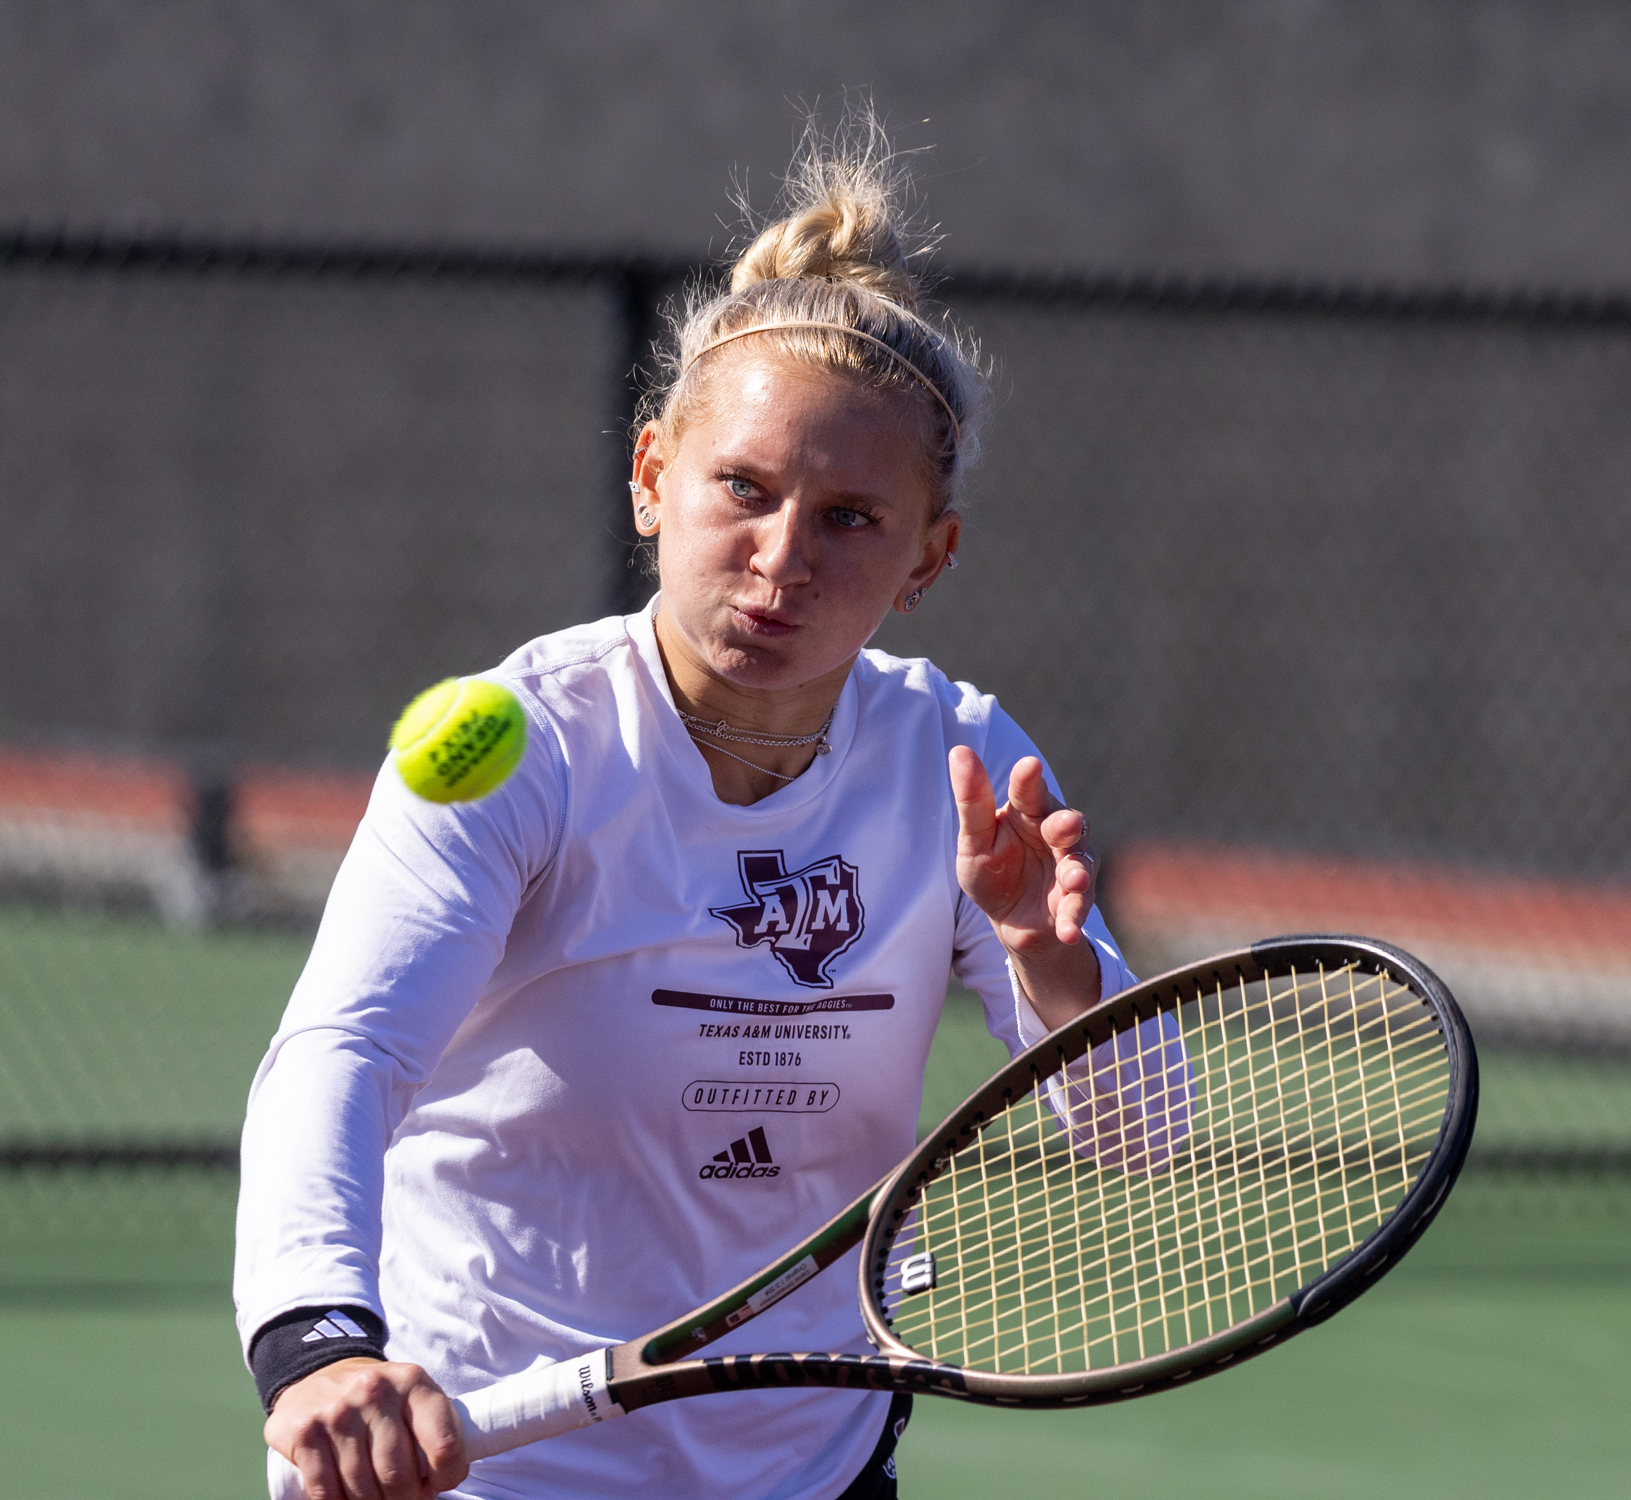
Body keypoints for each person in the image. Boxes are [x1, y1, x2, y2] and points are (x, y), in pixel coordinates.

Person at [235, 121, 1134, 1500]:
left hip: (808, 1467)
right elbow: (340, 1057)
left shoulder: (955, 759)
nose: (780, 560)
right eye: (743, 490)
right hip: (481, 1463)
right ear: (653, 478)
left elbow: (1147, 1142)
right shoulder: (521, 748)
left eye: (849, 519)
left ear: (928, 556)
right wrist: (320, 1349)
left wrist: (1049, 965)